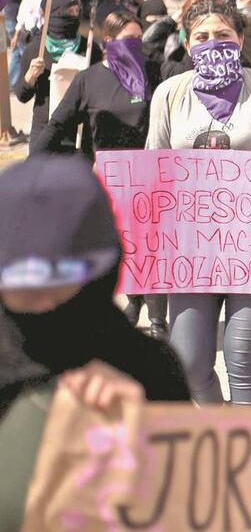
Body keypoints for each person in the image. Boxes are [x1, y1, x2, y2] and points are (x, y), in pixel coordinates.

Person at [0, 155, 191, 531]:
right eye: (21, 284)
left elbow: (191, 501)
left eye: (62, 280)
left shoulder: (150, 368)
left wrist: (145, 434)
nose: (43, 302)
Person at [145, 0, 251, 405]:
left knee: (242, 359)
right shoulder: (169, 94)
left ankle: (245, 459)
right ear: (187, 44)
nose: (212, 43)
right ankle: (223, 434)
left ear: (241, 38)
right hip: (191, 249)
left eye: (222, 35)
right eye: (201, 36)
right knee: (189, 364)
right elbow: (153, 167)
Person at [30, 11, 170, 339]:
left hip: (152, 174)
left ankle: (158, 321)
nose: (136, 47)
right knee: (122, 246)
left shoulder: (153, 70)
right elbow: (59, 123)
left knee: (150, 246)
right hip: (110, 177)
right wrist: (32, 163)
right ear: (108, 43)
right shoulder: (89, 79)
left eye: (140, 40)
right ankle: (133, 301)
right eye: (127, 41)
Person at [15, 0, 101, 154]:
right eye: (69, 12)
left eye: (77, 11)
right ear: (53, 15)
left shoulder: (89, 48)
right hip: (45, 132)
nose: (74, 16)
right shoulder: (35, 49)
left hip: (80, 134)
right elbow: (21, 95)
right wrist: (30, 77)